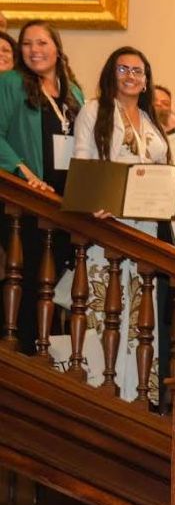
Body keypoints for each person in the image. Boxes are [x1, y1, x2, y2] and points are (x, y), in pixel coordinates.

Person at [71, 47, 171, 402]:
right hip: (108, 224)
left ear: (146, 81)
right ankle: (100, 388)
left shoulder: (149, 119)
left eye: (138, 71)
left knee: (140, 315)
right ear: (111, 74)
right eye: (123, 69)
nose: (130, 75)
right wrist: (93, 202)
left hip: (146, 228)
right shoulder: (94, 110)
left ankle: (137, 395)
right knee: (106, 307)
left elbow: (157, 166)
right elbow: (82, 159)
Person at [0, 20, 85, 352]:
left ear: (57, 48)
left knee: (55, 285)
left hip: (65, 203)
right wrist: (23, 172)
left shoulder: (73, 91)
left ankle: (45, 349)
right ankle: (20, 350)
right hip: (26, 198)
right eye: (27, 44)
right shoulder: (10, 82)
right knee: (31, 277)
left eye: (42, 43)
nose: (34, 50)